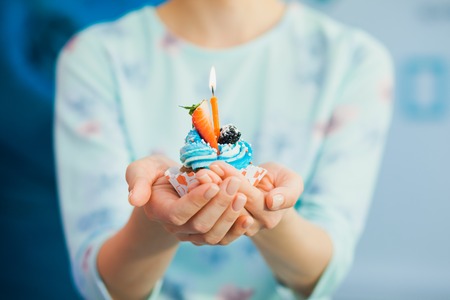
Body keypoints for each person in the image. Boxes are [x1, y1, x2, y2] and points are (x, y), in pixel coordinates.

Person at [55, 0, 394, 299]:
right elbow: (101, 282)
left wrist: (271, 212)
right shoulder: (96, 55)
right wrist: (154, 218)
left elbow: (323, 272)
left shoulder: (354, 60)